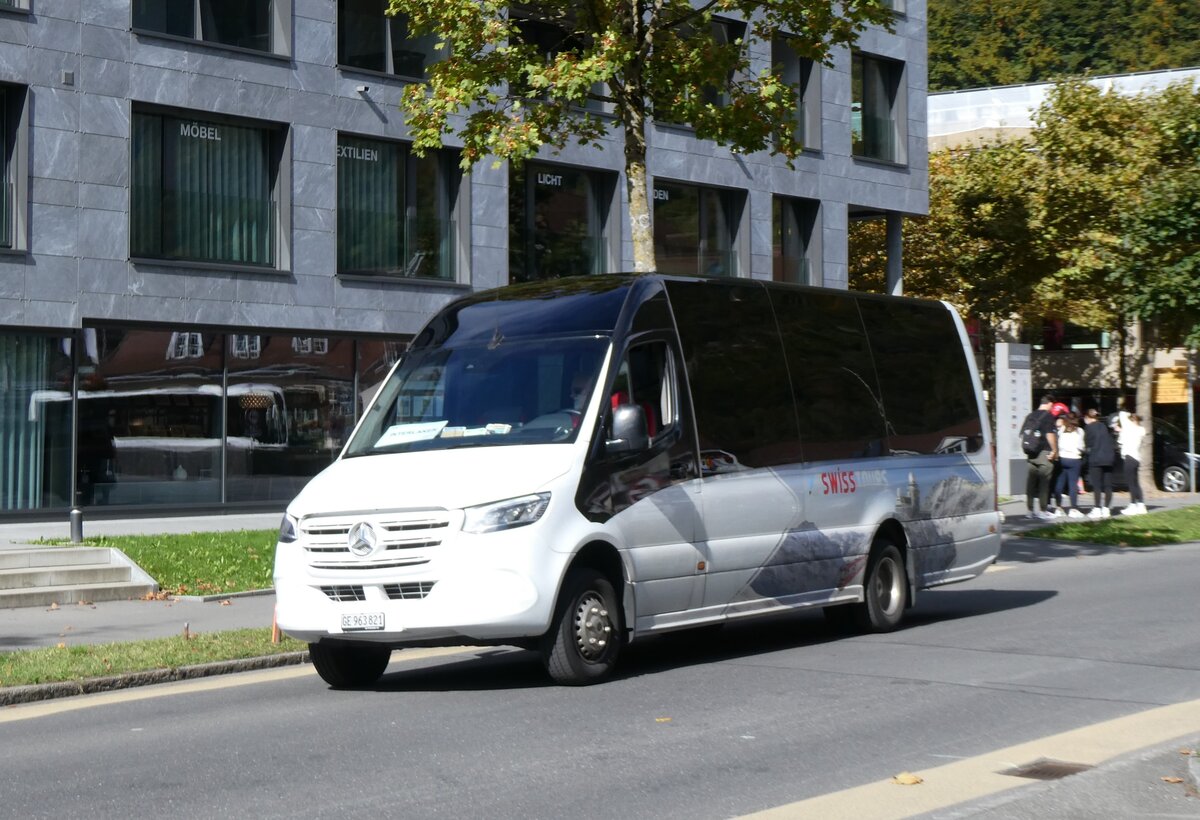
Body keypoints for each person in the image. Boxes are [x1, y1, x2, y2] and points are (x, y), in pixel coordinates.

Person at [1023, 395, 1059, 519]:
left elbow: (1023, 434)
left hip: (1031, 452)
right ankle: (1043, 511)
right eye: (1052, 406)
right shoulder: (1048, 417)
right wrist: (1054, 450)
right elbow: (1050, 434)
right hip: (1044, 452)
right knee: (1044, 482)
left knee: (1031, 482)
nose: (1052, 408)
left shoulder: (1030, 416)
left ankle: (1030, 510)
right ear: (1049, 403)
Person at [1083, 408, 1117, 518]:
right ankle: (1106, 508)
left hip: (1096, 458)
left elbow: (1087, 444)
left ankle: (1097, 508)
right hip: (1108, 458)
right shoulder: (1104, 427)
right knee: (1108, 485)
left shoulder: (1088, 428)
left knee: (1097, 485)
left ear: (1088, 417)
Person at [1054, 412, 1086, 518]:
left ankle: (1058, 507)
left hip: (1062, 458)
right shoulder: (1079, 431)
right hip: (1075, 459)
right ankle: (1073, 509)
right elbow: (1081, 446)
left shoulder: (1062, 430)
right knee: (1073, 484)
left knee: (1060, 483)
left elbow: (1058, 442)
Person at [1117, 412, 1147, 516]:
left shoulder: (1128, 426)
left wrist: (1129, 414)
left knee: (1130, 483)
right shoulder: (1140, 430)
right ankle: (1141, 504)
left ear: (1131, 420)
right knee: (1135, 482)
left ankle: (1133, 504)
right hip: (1136, 457)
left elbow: (1121, 414)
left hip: (1129, 457)